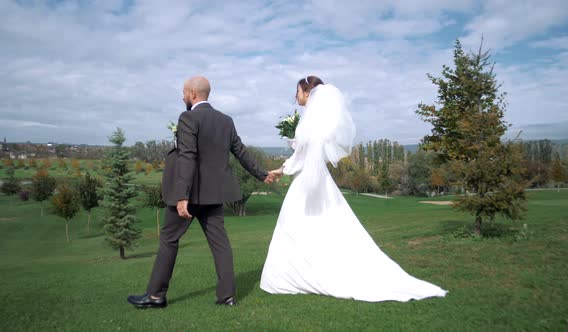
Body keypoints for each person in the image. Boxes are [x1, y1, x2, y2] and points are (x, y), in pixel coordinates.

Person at [260, 76, 447, 302]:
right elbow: (306, 152)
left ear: (308, 93)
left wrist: (282, 168)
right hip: (316, 178)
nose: (295, 96)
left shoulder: (309, 122)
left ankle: (297, 273)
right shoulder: (319, 120)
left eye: (298, 91)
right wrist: (291, 154)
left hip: (306, 181)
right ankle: (308, 268)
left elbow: (303, 155)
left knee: (295, 225)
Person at [128, 76, 275, 308]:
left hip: (189, 195)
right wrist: (262, 173)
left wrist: (182, 196)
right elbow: (241, 151)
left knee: (168, 239)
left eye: (184, 92)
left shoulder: (188, 117)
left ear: (193, 94)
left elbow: (188, 156)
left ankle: (155, 296)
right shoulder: (226, 121)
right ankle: (227, 296)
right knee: (220, 244)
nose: (182, 96)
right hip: (214, 195)